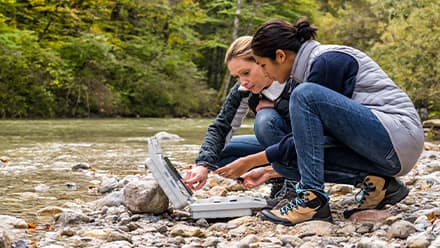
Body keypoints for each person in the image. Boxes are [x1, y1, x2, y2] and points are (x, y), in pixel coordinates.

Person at [215, 18, 424, 226]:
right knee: (285, 163)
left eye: (263, 65)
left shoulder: (326, 61)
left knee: (304, 95)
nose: (265, 72)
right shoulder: (307, 70)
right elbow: (310, 141)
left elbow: (309, 138)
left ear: (280, 56)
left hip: (397, 138)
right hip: (384, 151)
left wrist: (252, 161)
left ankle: (312, 200)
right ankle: (381, 185)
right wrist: (272, 168)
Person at [183, 36, 295, 202]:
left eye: (246, 73)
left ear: (261, 61)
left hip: (305, 147)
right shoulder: (243, 89)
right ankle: (280, 179)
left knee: (265, 121)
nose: (243, 82)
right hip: (276, 148)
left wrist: (253, 162)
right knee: (219, 155)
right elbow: (221, 127)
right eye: (237, 76)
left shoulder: (294, 80)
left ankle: (295, 184)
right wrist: (203, 166)